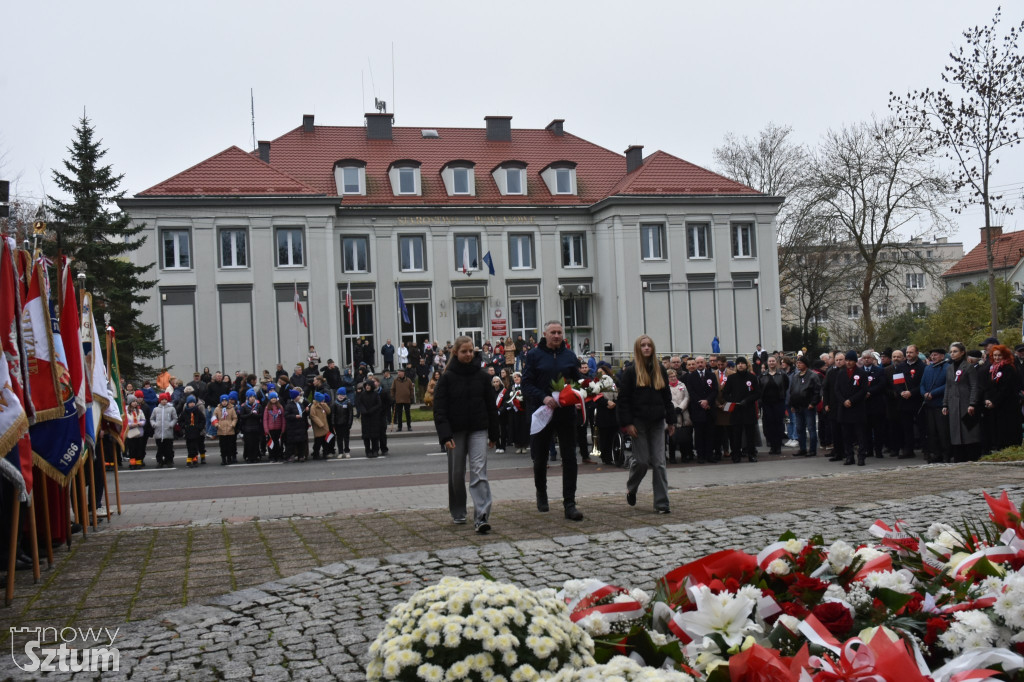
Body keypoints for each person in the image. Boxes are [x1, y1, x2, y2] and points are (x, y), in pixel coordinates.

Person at [433, 336, 500, 533]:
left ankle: (481, 516)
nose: (468, 354)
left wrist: (494, 433)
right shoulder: (447, 378)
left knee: (479, 472)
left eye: (471, 351)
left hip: (479, 429)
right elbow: (439, 409)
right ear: (455, 353)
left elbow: (491, 407)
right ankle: (458, 511)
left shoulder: (482, 377)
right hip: (455, 431)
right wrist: (445, 435)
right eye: (464, 351)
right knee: (457, 474)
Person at [522, 320, 584, 521]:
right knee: (540, 458)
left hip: (565, 414)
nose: (556, 335)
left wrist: (578, 395)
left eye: (559, 332)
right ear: (545, 334)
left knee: (570, 458)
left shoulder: (569, 355)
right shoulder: (533, 355)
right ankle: (541, 491)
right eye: (553, 332)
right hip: (542, 412)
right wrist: (544, 397)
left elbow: (577, 381)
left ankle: (570, 503)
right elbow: (526, 384)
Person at [618, 336, 674, 513]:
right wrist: (627, 423)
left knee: (659, 462)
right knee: (641, 462)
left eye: (649, 345)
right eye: (643, 345)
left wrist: (671, 420)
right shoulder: (631, 372)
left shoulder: (660, 370)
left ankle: (662, 503)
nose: (647, 348)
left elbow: (667, 397)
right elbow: (623, 400)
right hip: (638, 423)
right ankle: (631, 488)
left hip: (658, 421)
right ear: (638, 349)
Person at [944, 342, 982, 462]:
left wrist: (972, 403)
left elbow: (974, 386)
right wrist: (945, 403)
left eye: (955, 351)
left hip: (966, 403)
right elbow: (948, 386)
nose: (952, 354)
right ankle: (958, 457)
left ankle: (972, 456)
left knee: (969, 430)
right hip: (953, 403)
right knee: (955, 431)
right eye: (951, 352)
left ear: (962, 352)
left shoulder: (968, 367)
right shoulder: (949, 368)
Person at [983, 344, 1022, 451]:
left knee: (1007, 430)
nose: (996, 358)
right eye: (994, 355)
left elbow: (1006, 388)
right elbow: (988, 386)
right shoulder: (992, 369)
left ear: (1004, 355)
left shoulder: (1009, 368)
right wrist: (987, 399)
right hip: (995, 405)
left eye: (999, 355)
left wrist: (994, 401)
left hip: (1007, 405)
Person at [722, 357, 761, 462]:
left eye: (742, 363)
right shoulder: (731, 378)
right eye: (738, 363)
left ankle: (751, 454)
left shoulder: (752, 378)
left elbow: (757, 393)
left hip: (749, 409)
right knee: (736, 434)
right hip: (736, 410)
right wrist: (732, 401)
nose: (740, 365)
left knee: (750, 434)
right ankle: (736, 455)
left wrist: (747, 400)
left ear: (746, 365)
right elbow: (725, 393)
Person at [833, 350, 869, 466]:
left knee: (860, 434)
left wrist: (851, 400)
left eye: (851, 361)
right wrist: (843, 401)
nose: (848, 363)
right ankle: (849, 456)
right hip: (844, 408)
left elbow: (863, 390)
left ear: (855, 361)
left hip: (857, 408)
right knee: (846, 435)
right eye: (847, 360)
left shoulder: (862, 373)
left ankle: (861, 456)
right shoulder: (841, 373)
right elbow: (836, 390)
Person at [920, 348, 950, 463]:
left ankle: (946, 453)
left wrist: (933, 393)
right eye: (931, 355)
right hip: (929, 404)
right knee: (932, 432)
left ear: (942, 356)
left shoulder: (947, 368)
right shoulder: (928, 368)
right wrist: (924, 393)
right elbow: (922, 384)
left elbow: (947, 384)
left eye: (935, 355)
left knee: (942, 431)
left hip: (940, 403)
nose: (933, 357)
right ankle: (936, 453)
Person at [788, 355, 821, 457]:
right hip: (798, 406)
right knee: (799, 428)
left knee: (811, 428)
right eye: (797, 363)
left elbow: (817, 392)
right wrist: (792, 404)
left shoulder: (812, 375)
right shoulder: (795, 376)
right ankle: (802, 448)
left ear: (806, 364)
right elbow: (792, 391)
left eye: (800, 363)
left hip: (808, 406)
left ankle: (812, 449)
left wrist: (813, 403)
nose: (798, 365)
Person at [758, 356, 789, 455]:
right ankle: (772, 446)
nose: (771, 363)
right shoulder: (762, 375)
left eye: (773, 361)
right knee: (769, 425)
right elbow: (759, 388)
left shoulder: (782, 374)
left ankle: (778, 446)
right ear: (767, 363)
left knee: (779, 425)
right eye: (770, 361)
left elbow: (786, 386)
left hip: (778, 403)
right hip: (766, 404)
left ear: (776, 362)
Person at [666, 368, 690, 463]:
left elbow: (687, 397)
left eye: (674, 376)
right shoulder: (666, 387)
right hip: (672, 414)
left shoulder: (682, 385)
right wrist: (674, 408)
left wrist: (681, 407)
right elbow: (666, 399)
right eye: (671, 377)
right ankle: (672, 457)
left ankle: (684, 456)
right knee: (672, 438)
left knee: (683, 437)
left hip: (683, 413)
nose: (673, 378)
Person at [178, 395, 207, 468]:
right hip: (188, 432)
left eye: (193, 402)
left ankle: (193, 459)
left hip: (196, 432)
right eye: (190, 402)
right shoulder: (185, 412)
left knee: (195, 446)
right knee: (189, 446)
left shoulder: (197, 410)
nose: (192, 404)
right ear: (187, 403)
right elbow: (180, 421)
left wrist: (199, 427)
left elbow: (203, 419)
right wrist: (184, 426)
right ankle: (191, 458)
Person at [356, 381, 383, 457]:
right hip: (365, 418)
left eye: (369, 385)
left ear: (371, 386)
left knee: (375, 436)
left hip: (374, 417)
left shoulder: (375, 394)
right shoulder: (362, 395)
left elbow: (379, 404)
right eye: (366, 385)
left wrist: (372, 410)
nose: (367, 387)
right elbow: (359, 403)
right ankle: (368, 451)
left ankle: (375, 450)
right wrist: (363, 410)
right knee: (366, 436)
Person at [151, 393, 177, 468]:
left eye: (165, 399)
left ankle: (169, 460)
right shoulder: (156, 409)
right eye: (162, 399)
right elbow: (152, 418)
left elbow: (175, 418)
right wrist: (154, 424)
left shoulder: (171, 409)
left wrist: (171, 424)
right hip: (159, 432)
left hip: (168, 432)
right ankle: (160, 461)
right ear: (160, 400)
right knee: (160, 448)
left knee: (168, 448)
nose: (164, 401)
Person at [284, 388, 310, 462]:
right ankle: (290, 455)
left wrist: (307, 411)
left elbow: (303, 414)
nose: (299, 397)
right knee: (291, 443)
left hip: (301, 426)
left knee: (301, 442)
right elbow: (286, 415)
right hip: (293, 427)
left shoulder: (300, 404)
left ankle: (301, 455)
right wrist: (295, 416)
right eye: (298, 396)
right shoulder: (289, 405)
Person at [238, 390, 263, 463]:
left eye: (253, 397)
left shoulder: (258, 406)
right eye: (250, 397)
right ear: (247, 398)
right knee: (249, 443)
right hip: (247, 428)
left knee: (256, 443)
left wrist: (255, 415)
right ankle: (249, 457)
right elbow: (242, 416)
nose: (252, 398)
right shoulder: (244, 406)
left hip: (256, 427)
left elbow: (261, 415)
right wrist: (250, 415)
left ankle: (255, 457)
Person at [213, 394, 238, 465]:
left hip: (230, 429)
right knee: (223, 446)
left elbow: (235, 418)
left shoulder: (231, 409)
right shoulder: (217, 409)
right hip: (221, 430)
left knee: (230, 445)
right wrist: (217, 424)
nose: (224, 402)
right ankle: (223, 459)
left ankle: (229, 458)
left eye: (225, 401)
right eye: (223, 401)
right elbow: (214, 418)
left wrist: (232, 424)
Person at [262, 391, 285, 461]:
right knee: (271, 444)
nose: (273, 399)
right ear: (270, 399)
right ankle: (271, 456)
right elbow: (265, 419)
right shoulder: (267, 408)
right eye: (272, 398)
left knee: (278, 443)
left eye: (275, 398)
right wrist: (266, 429)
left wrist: (283, 428)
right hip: (270, 429)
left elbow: (283, 418)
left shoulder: (280, 407)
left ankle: (278, 456)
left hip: (278, 428)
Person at [125, 398, 147, 469]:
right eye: (133, 401)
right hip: (131, 433)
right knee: (132, 449)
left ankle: (138, 463)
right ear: (130, 403)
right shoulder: (126, 412)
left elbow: (143, 419)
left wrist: (140, 423)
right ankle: (132, 464)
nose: (135, 403)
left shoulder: (139, 411)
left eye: (135, 401)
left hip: (138, 432)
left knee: (139, 449)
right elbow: (124, 421)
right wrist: (131, 424)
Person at [332, 388, 354, 457]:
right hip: (338, 424)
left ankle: (347, 451)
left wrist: (350, 423)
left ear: (345, 395)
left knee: (346, 438)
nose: (340, 396)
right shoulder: (335, 403)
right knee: (339, 438)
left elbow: (350, 414)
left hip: (345, 423)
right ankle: (340, 452)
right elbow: (333, 414)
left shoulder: (348, 403)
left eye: (342, 395)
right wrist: (333, 422)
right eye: (339, 394)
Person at [310, 392, 332, 460]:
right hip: (319, 428)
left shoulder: (323, 405)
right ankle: (316, 454)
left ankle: (325, 453)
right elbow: (313, 416)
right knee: (318, 443)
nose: (323, 401)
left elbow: (328, 412)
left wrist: (325, 406)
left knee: (325, 442)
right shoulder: (313, 407)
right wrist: (320, 424)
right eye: (322, 399)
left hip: (325, 428)